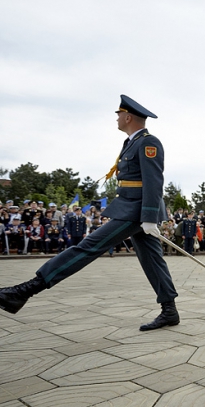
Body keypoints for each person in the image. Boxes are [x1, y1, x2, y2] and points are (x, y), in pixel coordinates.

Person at [0, 95, 180, 332]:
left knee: (88, 247)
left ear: (128, 117)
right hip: (130, 208)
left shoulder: (149, 142)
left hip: (135, 212)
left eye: (118, 114)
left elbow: (154, 181)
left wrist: (148, 217)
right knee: (152, 259)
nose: (116, 119)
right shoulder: (131, 143)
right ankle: (169, 311)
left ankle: (26, 290)